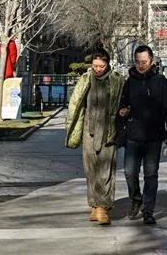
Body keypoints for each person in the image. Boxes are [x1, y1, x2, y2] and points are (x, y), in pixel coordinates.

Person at [65, 48, 125, 225]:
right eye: (95, 66)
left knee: (106, 170)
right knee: (91, 169)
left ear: (108, 64)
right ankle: (94, 204)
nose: (98, 69)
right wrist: (72, 126)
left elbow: (125, 101)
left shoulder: (117, 80)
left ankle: (103, 207)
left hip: (109, 130)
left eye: (101, 66)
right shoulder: (85, 79)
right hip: (88, 131)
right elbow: (75, 103)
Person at [118, 45, 167, 225]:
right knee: (129, 172)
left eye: (144, 62)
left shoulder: (161, 82)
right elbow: (122, 103)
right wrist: (123, 110)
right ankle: (136, 198)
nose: (140, 65)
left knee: (151, 174)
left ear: (151, 61)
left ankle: (148, 210)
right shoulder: (130, 81)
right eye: (137, 62)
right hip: (133, 136)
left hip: (154, 137)